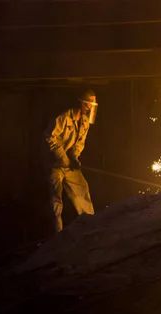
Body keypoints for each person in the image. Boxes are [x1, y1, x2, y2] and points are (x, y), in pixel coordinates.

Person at [43, 89, 98, 233]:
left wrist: (74, 158)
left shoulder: (84, 121)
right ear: (81, 103)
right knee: (56, 199)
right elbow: (50, 138)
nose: (91, 107)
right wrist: (63, 158)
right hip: (54, 164)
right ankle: (57, 234)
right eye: (89, 104)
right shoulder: (64, 117)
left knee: (82, 188)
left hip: (68, 165)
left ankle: (90, 226)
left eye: (93, 104)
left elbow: (79, 143)